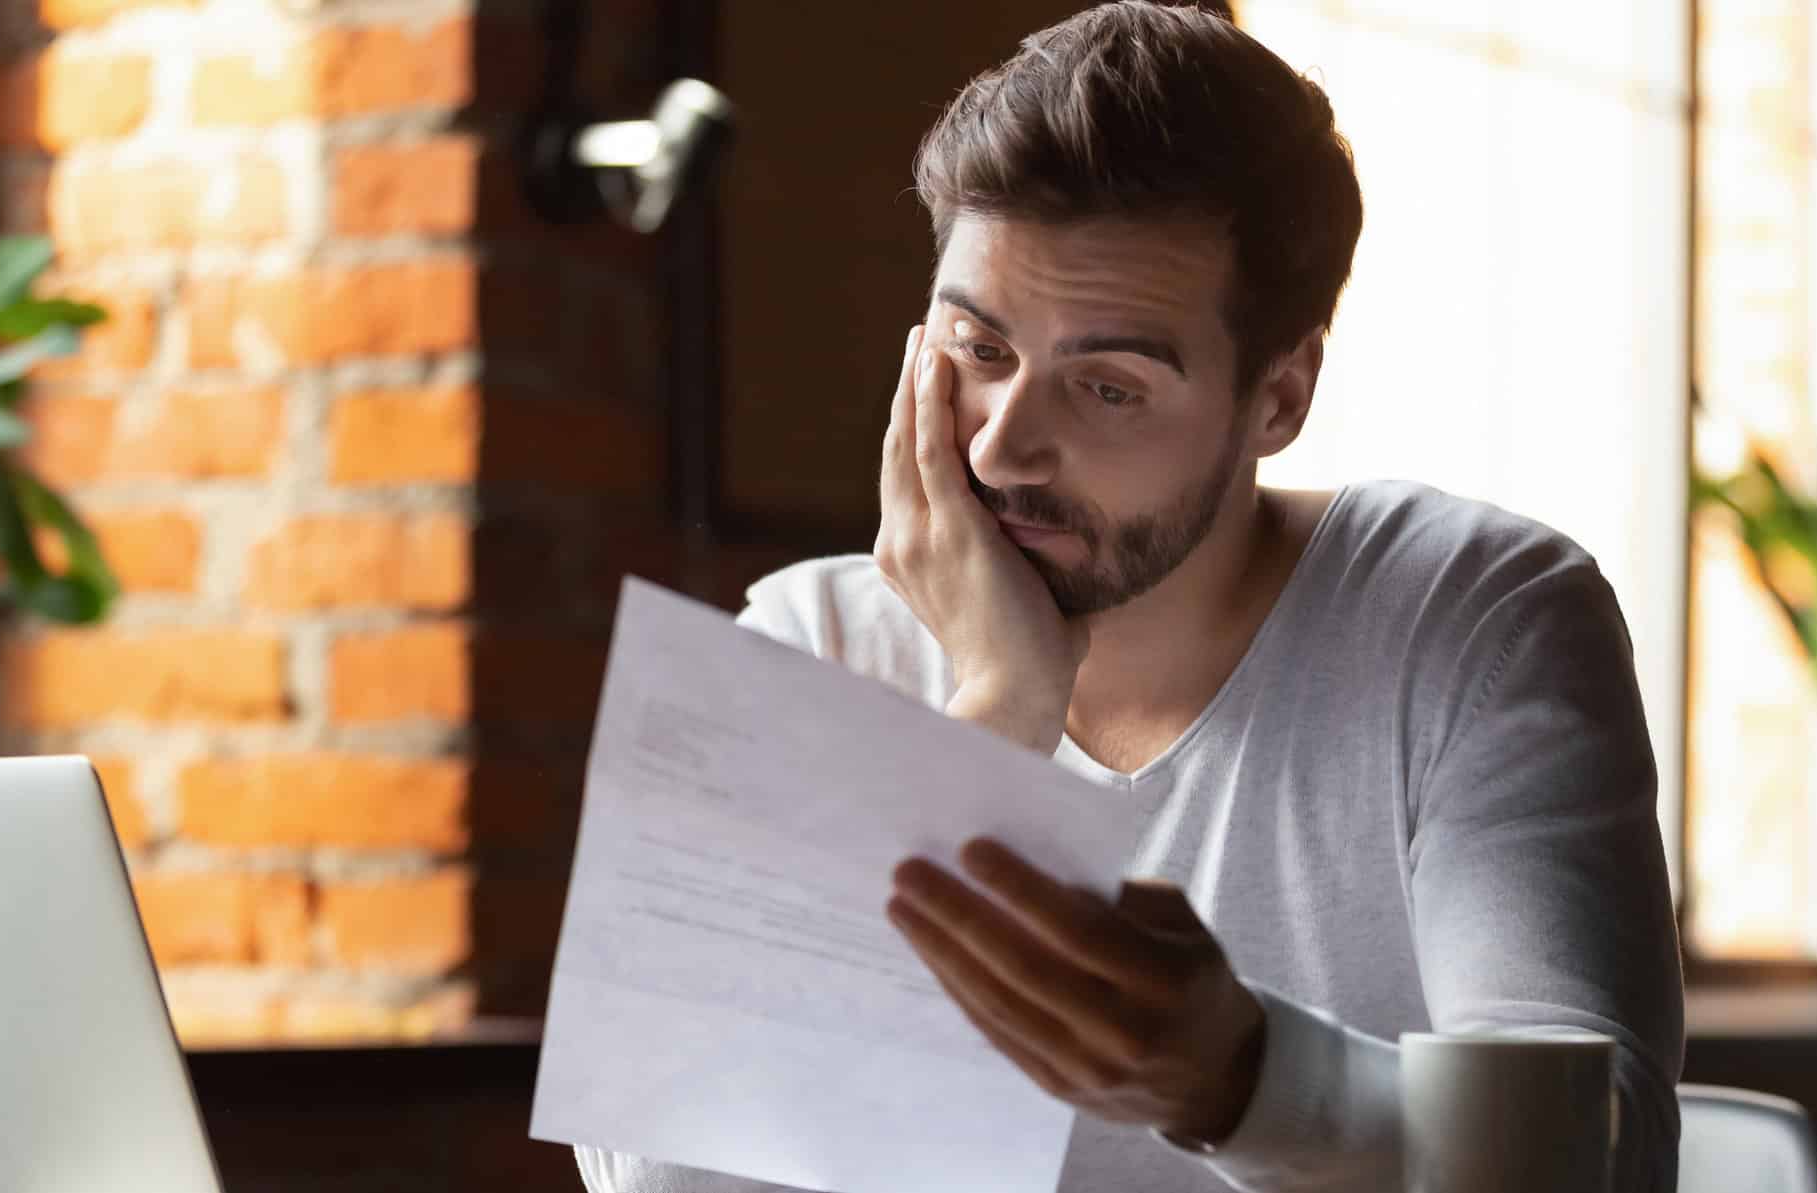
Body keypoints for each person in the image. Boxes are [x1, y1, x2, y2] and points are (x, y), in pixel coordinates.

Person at [576, 3, 1684, 1190]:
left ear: (1278, 397)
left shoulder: (1475, 619)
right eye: (979, 349)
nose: (1003, 448)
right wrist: (995, 713)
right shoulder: (810, 642)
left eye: (1107, 388)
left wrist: (1241, 1081)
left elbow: (1598, 1152)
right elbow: (655, 1174)